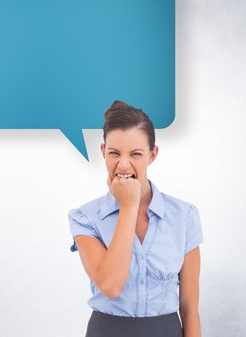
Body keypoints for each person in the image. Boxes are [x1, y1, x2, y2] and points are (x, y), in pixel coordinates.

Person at [68, 101, 203, 337]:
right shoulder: (85, 218)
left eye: (136, 154)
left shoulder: (184, 216)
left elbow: (190, 309)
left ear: (152, 155)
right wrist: (129, 206)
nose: (123, 164)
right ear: (103, 152)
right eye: (114, 153)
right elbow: (110, 285)